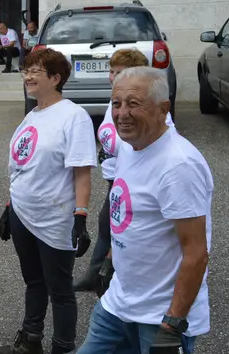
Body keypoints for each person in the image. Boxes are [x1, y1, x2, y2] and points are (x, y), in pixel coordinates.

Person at [74, 67, 212, 354]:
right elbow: (130, 218)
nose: (121, 113)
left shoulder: (178, 165)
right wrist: (110, 263)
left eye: (134, 103)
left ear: (164, 108)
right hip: (122, 299)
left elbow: (196, 253)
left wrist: (172, 326)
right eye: (116, 103)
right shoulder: (131, 146)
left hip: (163, 314)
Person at [0, 48, 97, 354]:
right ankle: (30, 340)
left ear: (56, 78)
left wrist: (80, 217)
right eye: (25, 70)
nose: (28, 76)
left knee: (61, 290)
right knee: (33, 281)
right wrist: (9, 206)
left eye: (36, 71)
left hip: (56, 218)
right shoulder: (32, 116)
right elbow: (21, 168)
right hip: (24, 213)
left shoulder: (74, 117)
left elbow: (82, 172)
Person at [74, 49, 175, 293]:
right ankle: (99, 273)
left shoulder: (148, 111)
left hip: (133, 178)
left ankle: (108, 275)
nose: (113, 77)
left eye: (120, 72)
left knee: (117, 224)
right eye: (111, 72)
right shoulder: (115, 102)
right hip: (116, 175)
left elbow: (139, 143)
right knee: (108, 222)